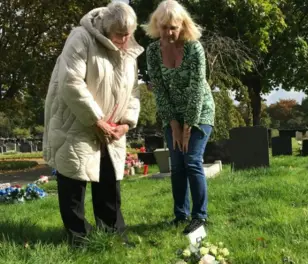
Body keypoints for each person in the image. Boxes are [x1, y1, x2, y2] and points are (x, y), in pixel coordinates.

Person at [43, 2, 144, 246]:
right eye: (119, 35)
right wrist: (95, 119)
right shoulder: (81, 37)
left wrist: (127, 123)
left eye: (128, 34)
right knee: (73, 179)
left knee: (109, 179)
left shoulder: (128, 48)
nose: (124, 40)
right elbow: (70, 82)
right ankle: (78, 237)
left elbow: (133, 90)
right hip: (75, 121)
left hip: (112, 127)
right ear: (104, 28)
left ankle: (112, 234)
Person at [143, 0, 215, 234]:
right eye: (164, 28)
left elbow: (196, 90)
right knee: (177, 166)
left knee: (192, 161)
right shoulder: (153, 52)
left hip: (199, 112)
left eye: (174, 27)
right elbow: (160, 91)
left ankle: (199, 217)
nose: (169, 32)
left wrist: (187, 128)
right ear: (157, 26)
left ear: (183, 25)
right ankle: (180, 215)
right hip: (171, 114)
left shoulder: (194, 49)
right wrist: (173, 125)